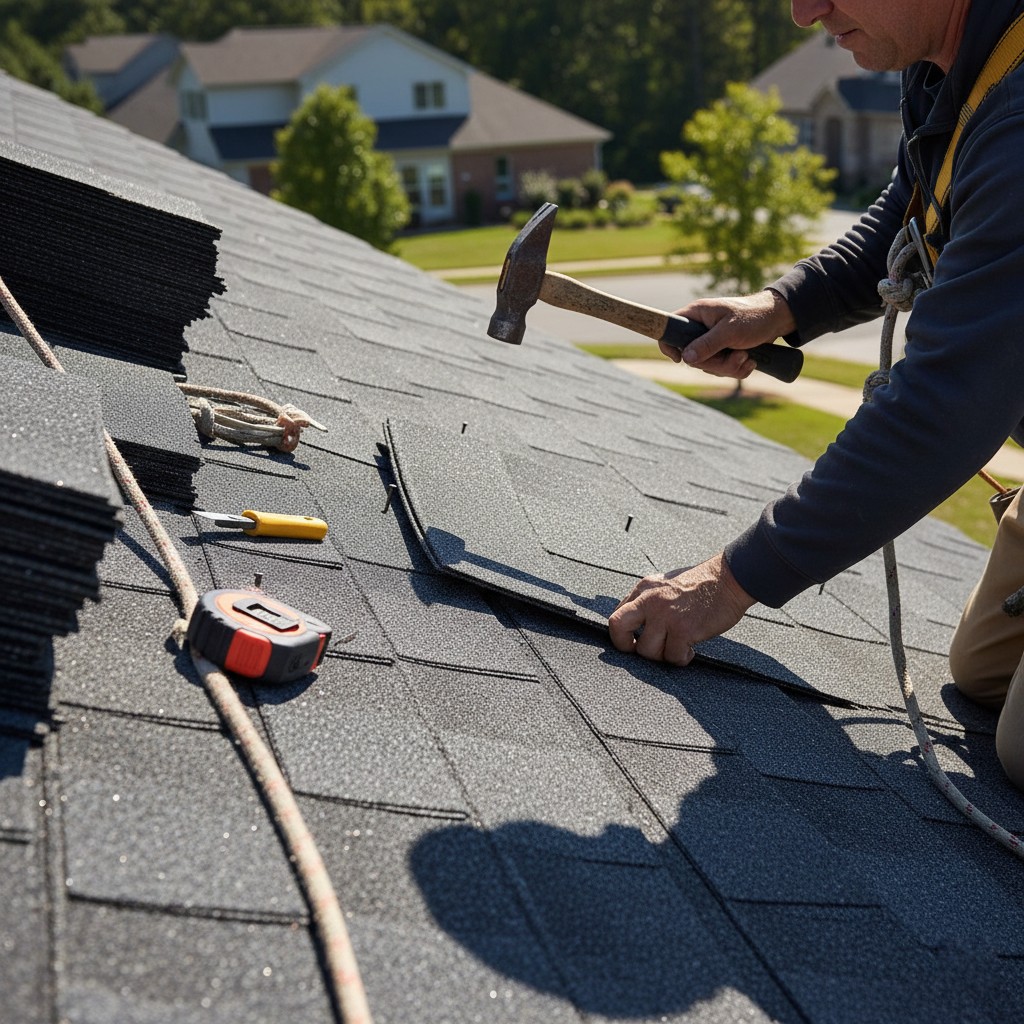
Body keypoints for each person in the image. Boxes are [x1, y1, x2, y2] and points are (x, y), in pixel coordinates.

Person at [607, 0, 1024, 789]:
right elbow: (914, 209)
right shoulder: (952, 62)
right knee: (980, 676)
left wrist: (723, 587)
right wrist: (779, 308)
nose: (804, 14)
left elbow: (946, 406)